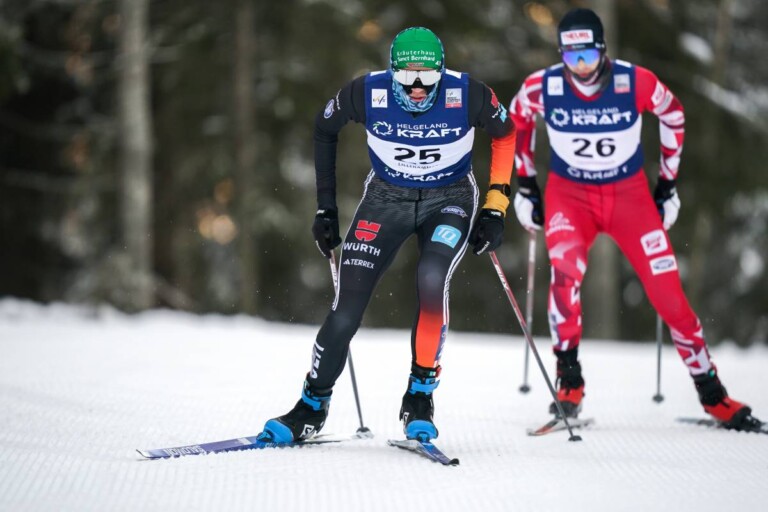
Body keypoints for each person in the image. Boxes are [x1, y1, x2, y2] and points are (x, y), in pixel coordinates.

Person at [258, 27, 516, 443]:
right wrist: (325, 208)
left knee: (431, 278)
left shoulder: (468, 94)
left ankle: (419, 396)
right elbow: (324, 128)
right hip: (385, 198)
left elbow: (505, 133)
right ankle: (311, 407)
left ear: (442, 72)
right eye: (407, 77)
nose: (418, 88)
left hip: (449, 199)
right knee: (346, 308)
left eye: (428, 77)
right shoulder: (366, 92)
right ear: (392, 71)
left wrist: (495, 206)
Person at [509, 8, 762, 430]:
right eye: (571, 58)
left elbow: (673, 114)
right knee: (565, 277)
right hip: (570, 198)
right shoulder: (543, 86)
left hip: (629, 199)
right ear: (560, 55)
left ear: (603, 50)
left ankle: (713, 394)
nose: (580, 67)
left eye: (588, 56)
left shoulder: (634, 81)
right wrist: (526, 186)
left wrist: (667, 185)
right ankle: (569, 382)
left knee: (669, 297)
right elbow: (516, 120)